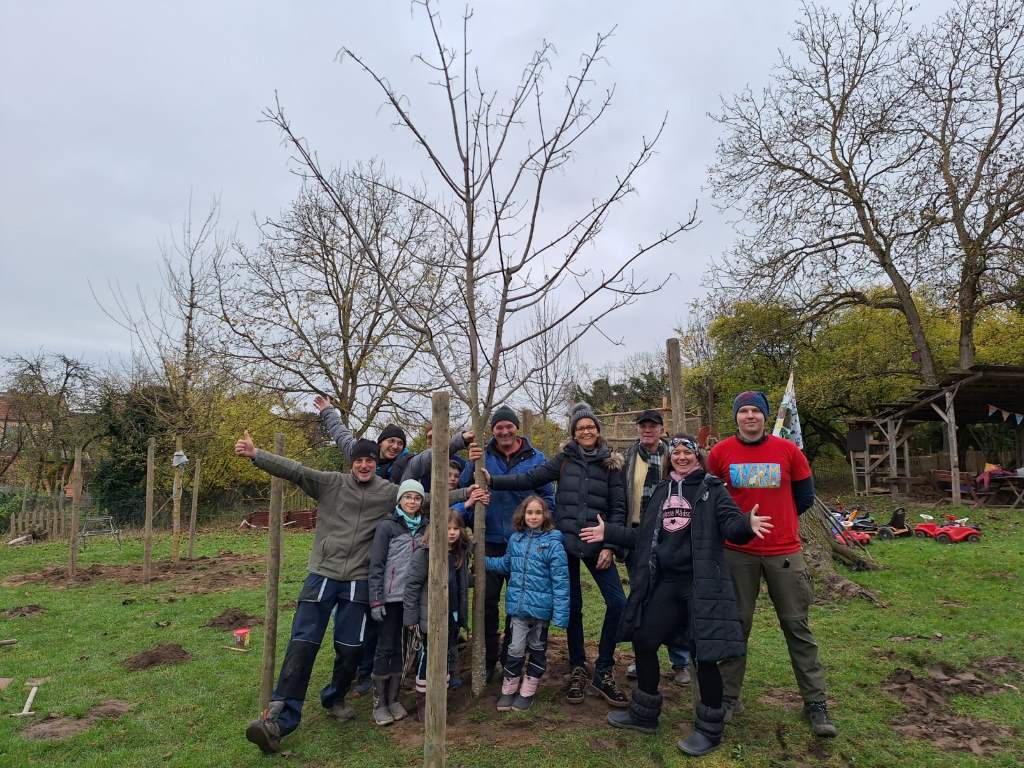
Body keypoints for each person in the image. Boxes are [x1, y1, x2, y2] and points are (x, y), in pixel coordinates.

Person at [580, 435, 773, 756]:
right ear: (671, 458)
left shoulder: (713, 490)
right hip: (665, 583)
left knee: (705, 655)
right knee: (644, 640)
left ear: (698, 457)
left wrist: (747, 525)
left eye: (688, 452)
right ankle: (644, 714)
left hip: (701, 584)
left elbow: (730, 525)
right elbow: (643, 535)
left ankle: (709, 730)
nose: (682, 457)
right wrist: (609, 533)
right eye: (677, 453)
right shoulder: (661, 491)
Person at [235, 429, 394, 754]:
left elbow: (422, 498)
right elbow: (295, 470)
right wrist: (257, 455)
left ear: (376, 464)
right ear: (351, 463)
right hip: (322, 574)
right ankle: (281, 717)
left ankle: (335, 697)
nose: (364, 465)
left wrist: (469, 493)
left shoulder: (388, 492)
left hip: (358, 581)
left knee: (351, 648)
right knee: (303, 643)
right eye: (359, 460)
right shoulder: (330, 483)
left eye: (369, 461)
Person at [706, 391, 836, 738]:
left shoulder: (788, 451)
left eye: (756, 412)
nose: (750, 417)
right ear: (736, 418)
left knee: (797, 626)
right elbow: (712, 499)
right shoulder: (720, 454)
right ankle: (728, 698)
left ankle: (815, 702)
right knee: (736, 626)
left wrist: (780, 521)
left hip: (784, 552)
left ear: (765, 417)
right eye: (743, 411)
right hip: (737, 552)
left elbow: (804, 498)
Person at [485, 402, 628, 708]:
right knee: (573, 604)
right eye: (580, 428)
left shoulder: (612, 464)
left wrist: (610, 544)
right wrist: (492, 481)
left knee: (617, 602)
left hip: (597, 541)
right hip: (565, 543)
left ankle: (603, 669)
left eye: (591, 427)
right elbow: (530, 478)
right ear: (574, 434)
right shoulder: (564, 460)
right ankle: (577, 666)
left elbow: (619, 507)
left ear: (598, 430)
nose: (586, 432)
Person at [458, 404, 555, 681]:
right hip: (489, 541)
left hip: (524, 543)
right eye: (499, 427)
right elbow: (464, 490)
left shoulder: (536, 458)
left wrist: (540, 527)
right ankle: (487, 660)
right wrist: (470, 463)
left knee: (520, 603)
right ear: (492, 430)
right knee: (486, 601)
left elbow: (548, 499)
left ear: (517, 428)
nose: (504, 431)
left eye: (508, 426)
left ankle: (511, 660)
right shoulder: (481, 457)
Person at [623, 409, 692, 686]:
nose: (647, 430)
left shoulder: (675, 456)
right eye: (643, 426)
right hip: (638, 535)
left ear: (662, 429)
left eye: (653, 426)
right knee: (641, 595)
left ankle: (680, 660)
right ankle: (642, 656)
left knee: (674, 598)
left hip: (671, 536)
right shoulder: (628, 458)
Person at [485, 495, 570, 712]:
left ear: (545, 515)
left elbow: (561, 581)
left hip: (541, 611)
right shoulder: (516, 539)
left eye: (538, 513)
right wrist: (482, 559)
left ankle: (528, 690)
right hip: (518, 608)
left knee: (537, 648)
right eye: (529, 512)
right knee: (514, 648)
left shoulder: (553, 544)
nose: (533, 516)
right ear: (523, 515)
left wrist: (561, 614)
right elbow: (506, 564)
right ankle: (509, 688)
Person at [403, 508, 478, 721]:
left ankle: (440, 700)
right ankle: (424, 704)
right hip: (430, 617)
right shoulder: (424, 554)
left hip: (452, 614)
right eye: (447, 528)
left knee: (445, 653)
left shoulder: (459, 553)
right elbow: (411, 587)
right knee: (428, 656)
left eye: (456, 528)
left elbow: (463, 578)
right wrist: (411, 618)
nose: (452, 532)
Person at [367, 479, 429, 726]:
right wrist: (375, 600)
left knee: (404, 648)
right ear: (400, 500)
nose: (412, 501)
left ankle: (394, 698)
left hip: (411, 599)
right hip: (389, 598)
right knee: (385, 647)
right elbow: (377, 564)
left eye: (417, 498)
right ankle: (379, 702)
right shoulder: (388, 527)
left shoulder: (426, 527)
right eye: (408, 497)